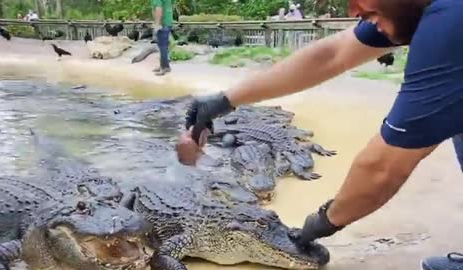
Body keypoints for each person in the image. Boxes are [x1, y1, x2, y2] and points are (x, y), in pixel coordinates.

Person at [177, 0, 463, 269]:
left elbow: (383, 167)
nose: (352, 9)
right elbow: (331, 54)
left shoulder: (448, 25)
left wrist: (323, 222)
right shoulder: (406, 8)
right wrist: (225, 99)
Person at [151, 0, 174, 76]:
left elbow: (159, 9)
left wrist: (157, 24)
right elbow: (170, 6)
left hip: (162, 24)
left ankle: (164, 67)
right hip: (168, 22)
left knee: (162, 47)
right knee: (164, 46)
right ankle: (165, 66)